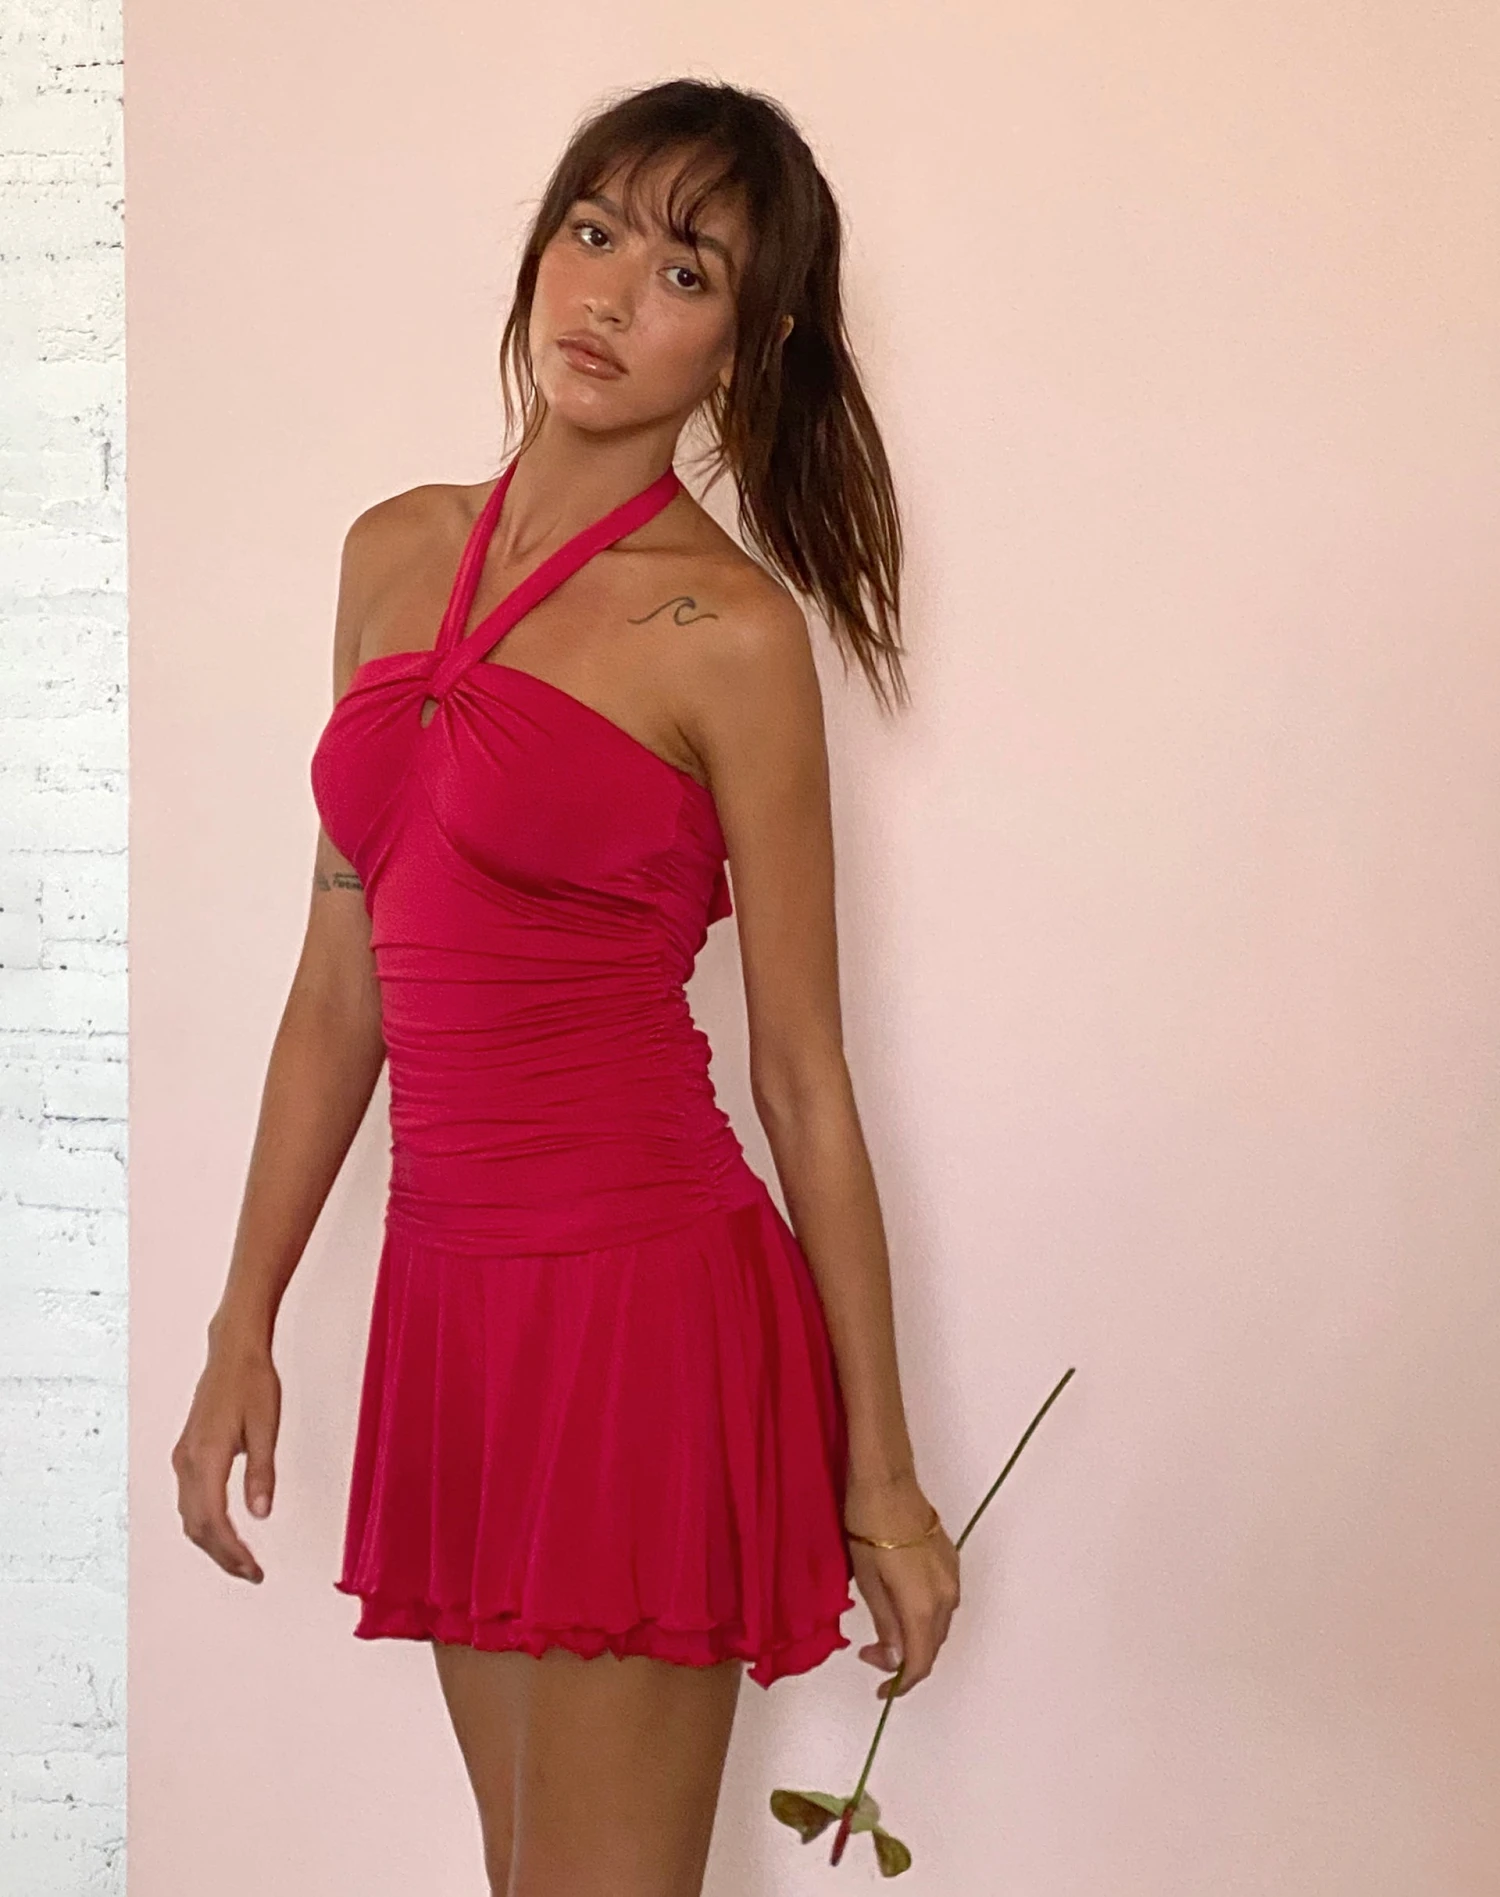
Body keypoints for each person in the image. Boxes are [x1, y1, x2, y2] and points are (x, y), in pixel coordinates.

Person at [172, 76, 960, 1895]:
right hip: (452, 1310)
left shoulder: (729, 632)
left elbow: (803, 1077)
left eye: (685, 271)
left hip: (642, 1310)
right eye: (592, 233)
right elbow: (338, 987)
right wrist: (240, 1320)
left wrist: (885, 1479)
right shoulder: (390, 552)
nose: (608, 295)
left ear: (747, 346)